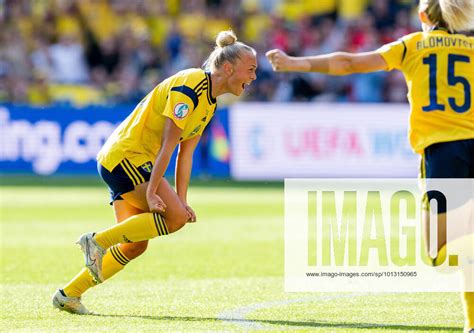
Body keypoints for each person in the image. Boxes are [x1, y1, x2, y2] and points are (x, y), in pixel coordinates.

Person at [266, 0, 473, 331]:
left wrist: (295, 62)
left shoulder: (413, 45)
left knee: (440, 254)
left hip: (444, 152)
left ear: (422, 16)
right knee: (467, 246)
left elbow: (348, 63)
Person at [52, 30, 257, 314]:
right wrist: (153, 193)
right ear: (228, 67)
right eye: (251, 69)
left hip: (132, 162)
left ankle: (69, 295)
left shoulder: (209, 104)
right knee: (173, 219)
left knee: (135, 246)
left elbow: (186, 155)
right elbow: (169, 144)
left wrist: (182, 201)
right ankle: (97, 241)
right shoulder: (191, 85)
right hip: (126, 157)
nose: (254, 77)